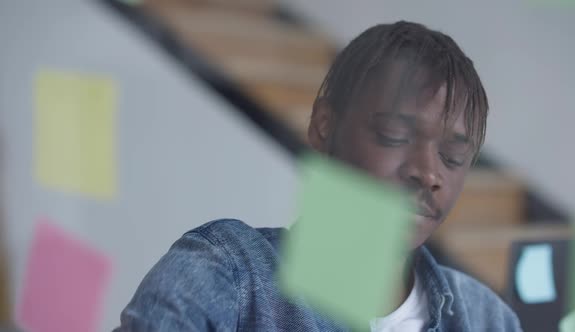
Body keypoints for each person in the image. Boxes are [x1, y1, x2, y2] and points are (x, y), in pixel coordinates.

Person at [115, 21, 522, 331]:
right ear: (324, 124)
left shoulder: (487, 319)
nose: (429, 172)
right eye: (394, 135)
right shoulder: (228, 276)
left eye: (452, 156)